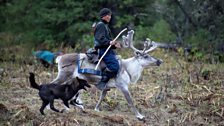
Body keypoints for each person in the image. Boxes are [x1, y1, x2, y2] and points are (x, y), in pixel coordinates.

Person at [94, 8, 121, 90]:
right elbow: (100, 39)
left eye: (110, 15)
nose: (110, 17)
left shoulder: (105, 26)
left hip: (107, 50)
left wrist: (114, 45)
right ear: (103, 16)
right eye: (108, 15)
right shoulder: (101, 25)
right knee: (114, 67)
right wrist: (110, 43)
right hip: (103, 51)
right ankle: (102, 82)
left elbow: (107, 41)